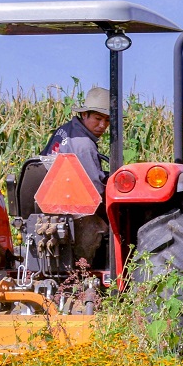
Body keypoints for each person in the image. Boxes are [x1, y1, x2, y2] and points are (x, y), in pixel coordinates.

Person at [40, 86, 111, 265]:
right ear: (85, 114)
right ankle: (85, 270)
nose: (103, 125)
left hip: (50, 203)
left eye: (107, 120)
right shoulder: (84, 145)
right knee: (108, 224)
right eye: (98, 118)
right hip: (72, 208)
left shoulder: (65, 130)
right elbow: (95, 190)